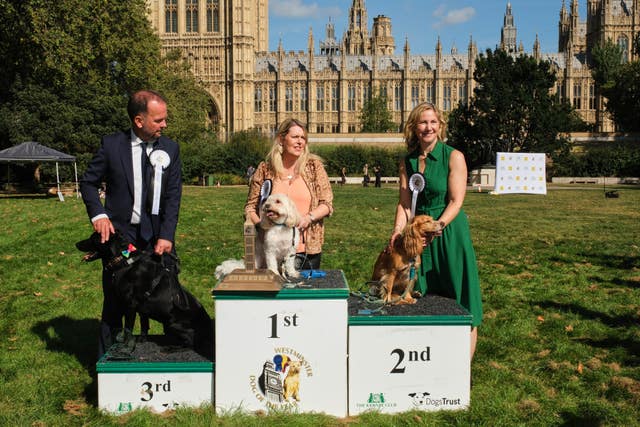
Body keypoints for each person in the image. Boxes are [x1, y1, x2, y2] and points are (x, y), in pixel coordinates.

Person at [80, 90, 182, 357]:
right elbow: (88, 183)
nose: (164, 125)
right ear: (139, 120)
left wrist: (167, 234)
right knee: (115, 303)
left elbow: (173, 197)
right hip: (121, 241)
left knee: (167, 300)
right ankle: (106, 367)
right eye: (159, 120)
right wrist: (99, 215)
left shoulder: (170, 148)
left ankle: (175, 358)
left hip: (157, 240)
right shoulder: (111, 145)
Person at [389, 102, 482, 359]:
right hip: (418, 238)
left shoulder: (453, 156)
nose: (428, 127)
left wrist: (437, 226)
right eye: (422, 122)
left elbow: (456, 201)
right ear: (414, 128)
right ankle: (432, 359)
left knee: (462, 297)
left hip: (448, 233)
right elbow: (405, 203)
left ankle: (464, 367)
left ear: (440, 126)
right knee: (419, 296)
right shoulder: (407, 162)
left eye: (433, 122)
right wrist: (398, 231)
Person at [245, 118, 333, 270]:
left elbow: (327, 204)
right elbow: (250, 207)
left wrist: (308, 218)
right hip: (271, 252)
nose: (300, 142)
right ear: (281, 139)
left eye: (303, 138)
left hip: (305, 251)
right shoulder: (265, 169)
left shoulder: (314, 168)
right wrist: (262, 225)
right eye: (295, 137)